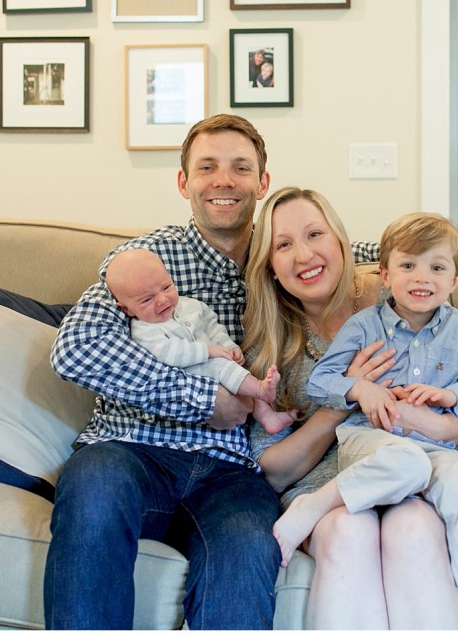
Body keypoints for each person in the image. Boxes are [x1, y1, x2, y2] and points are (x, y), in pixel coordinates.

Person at [46, 114, 281, 630]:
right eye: (207, 167)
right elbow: (76, 349)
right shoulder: (143, 259)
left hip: (229, 471)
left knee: (247, 545)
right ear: (184, 183)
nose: (224, 180)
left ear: (262, 183)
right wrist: (203, 401)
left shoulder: (282, 255)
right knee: (95, 486)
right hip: (130, 452)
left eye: (241, 168)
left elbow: (352, 251)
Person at [243, 187, 458, 630]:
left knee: (414, 528)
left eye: (315, 234)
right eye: (283, 244)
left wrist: (438, 427)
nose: (303, 254)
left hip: (418, 467)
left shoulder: (405, 293)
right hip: (333, 486)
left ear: (343, 243)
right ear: (269, 263)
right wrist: (355, 393)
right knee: (349, 531)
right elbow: (273, 469)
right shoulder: (272, 341)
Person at [104, 247, 294, 435]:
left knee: (239, 373)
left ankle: (267, 416)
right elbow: (169, 353)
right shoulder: (143, 329)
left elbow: (213, 327)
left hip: (214, 365)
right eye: (147, 300)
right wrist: (208, 351)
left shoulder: (190, 305)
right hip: (191, 376)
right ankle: (262, 390)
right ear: (126, 309)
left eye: (166, 287)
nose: (162, 300)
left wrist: (228, 347)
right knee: (223, 368)